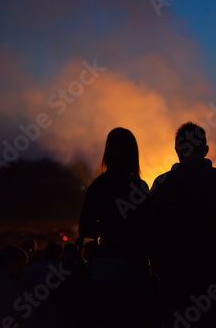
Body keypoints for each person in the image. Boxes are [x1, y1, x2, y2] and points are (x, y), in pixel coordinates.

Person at [150, 121, 216, 327]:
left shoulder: (161, 184)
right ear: (206, 150)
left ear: (177, 151)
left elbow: (152, 234)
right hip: (215, 281)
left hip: (175, 282)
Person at [78, 127, 152, 328]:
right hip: (134, 272)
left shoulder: (98, 185)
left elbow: (85, 228)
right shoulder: (140, 187)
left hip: (104, 271)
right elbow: (150, 228)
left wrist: (106, 228)